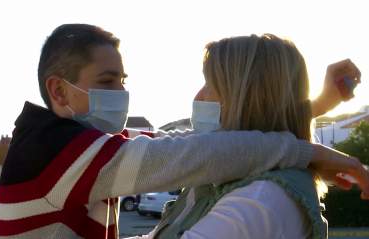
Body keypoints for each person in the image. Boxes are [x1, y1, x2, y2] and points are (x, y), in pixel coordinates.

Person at [0, 24, 368, 239]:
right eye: (107, 82)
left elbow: (185, 146)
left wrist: (311, 108)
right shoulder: (54, 150)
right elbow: (195, 154)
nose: (122, 94)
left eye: (122, 80)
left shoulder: (88, 148)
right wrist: (305, 150)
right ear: (59, 91)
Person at [132, 34, 366, 239]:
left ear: (249, 99)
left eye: (210, 84)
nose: (198, 97)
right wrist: (316, 107)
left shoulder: (260, 200)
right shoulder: (223, 176)